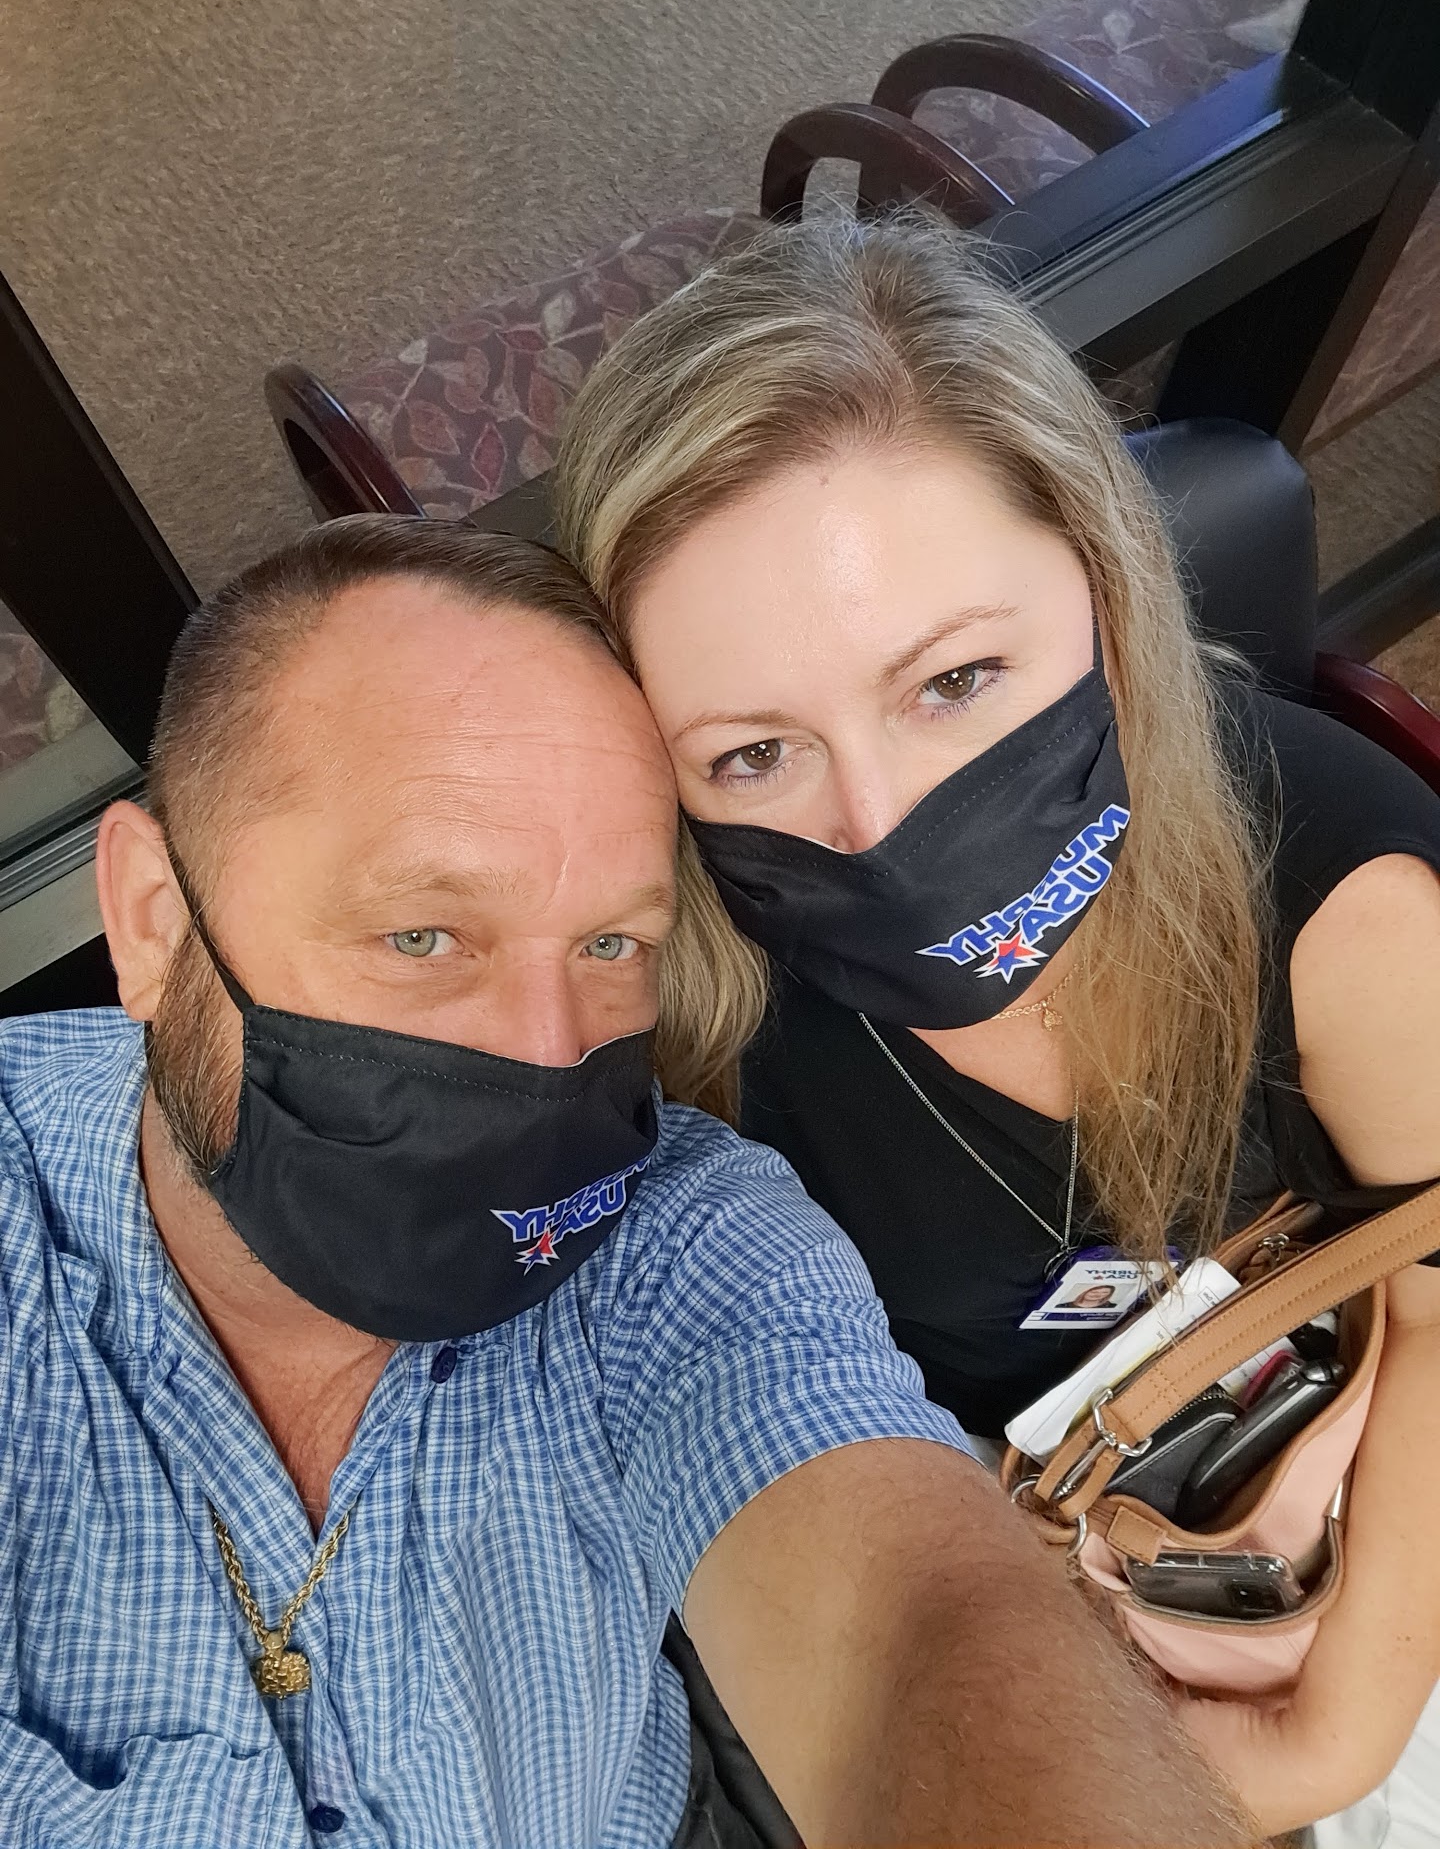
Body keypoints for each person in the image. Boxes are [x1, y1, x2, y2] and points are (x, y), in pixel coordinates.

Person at [0, 517, 1246, 1849]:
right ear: (153, 919)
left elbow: (920, 1627)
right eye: (422, 935)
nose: (549, 1055)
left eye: (612, 945)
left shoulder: (674, 1238)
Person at [552, 214, 1440, 1836]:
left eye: (954, 680)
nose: (878, 822)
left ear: (1101, 579)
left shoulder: (1342, 889)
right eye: (753, 754)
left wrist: (1335, 1727)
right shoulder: (687, 1057)